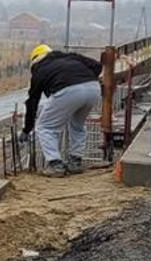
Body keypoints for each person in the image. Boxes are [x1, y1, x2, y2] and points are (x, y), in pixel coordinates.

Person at [22, 44, 104, 177]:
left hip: (68, 91)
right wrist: (83, 78)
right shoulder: (69, 57)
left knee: (45, 127)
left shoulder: (40, 70)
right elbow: (97, 66)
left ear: (35, 60)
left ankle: (55, 164)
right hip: (93, 88)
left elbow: (32, 102)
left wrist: (27, 129)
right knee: (77, 125)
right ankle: (75, 162)